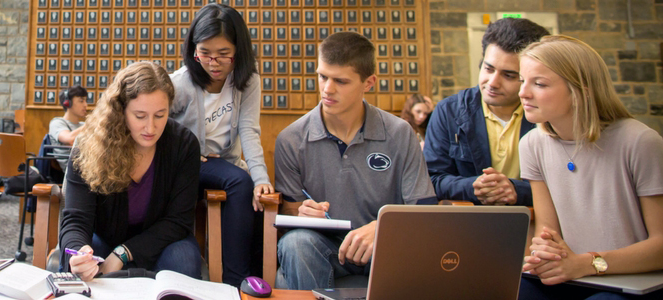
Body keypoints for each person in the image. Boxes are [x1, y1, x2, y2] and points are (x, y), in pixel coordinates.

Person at [272, 32, 435, 291]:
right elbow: (289, 215)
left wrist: (382, 228)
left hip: (386, 245)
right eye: (323, 76)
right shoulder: (291, 139)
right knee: (296, 243)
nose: (327, 88)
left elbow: (424, 211)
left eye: (341, 81)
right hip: (326, 246)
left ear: (368, 82)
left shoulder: (400, 133)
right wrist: (302, 214)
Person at [518, 35, 663, 300]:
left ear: (580, 91)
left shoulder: (640, 142)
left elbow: (661, 246)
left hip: (634, 281)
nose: (522, 92)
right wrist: (545, 253)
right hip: (572, 277)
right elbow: (547, 231)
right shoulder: (531, 144)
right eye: (522, 80)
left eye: (538, 83)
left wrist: (585, 263)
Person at [61, 61, 203, 281]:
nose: (151, 128)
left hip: (161, 241)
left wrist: (124, 253)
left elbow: (178, 221)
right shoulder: (89, 145)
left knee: (184, 257)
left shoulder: (184, 145)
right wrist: (77, 253)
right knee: (86, 259)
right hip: (105, 238)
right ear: (121, 111)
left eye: (160, 115)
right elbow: (76, 219)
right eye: (140, 116)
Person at [169, 3, 271, 286]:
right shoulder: (180, 83)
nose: (213, 63)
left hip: (223, 163)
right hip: (186, 165)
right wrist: (187, 150)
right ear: (194, 49)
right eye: (205, 54)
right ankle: (235, 281)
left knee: (256, 194)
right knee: (239, 182)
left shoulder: (248, 81)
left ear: (239, 50)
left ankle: (251, 279)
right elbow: (156, 125)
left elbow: (249, 130)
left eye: (223, 55)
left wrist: (261, 177)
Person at [423, 18, 549, 206]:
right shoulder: (448, 111)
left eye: (508, 75)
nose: (493, 82)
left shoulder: (546, 114)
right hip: (468, 226)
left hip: (535, 224)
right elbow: (430, 181)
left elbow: (563, 185)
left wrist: (516, 189)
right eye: (488, 68)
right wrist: (474, 186)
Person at [48, 85, 88, 169]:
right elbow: (70, 140)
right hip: (73, 169)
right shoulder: (57, 123)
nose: (85, 105)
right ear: (67, 103)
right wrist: (91, 123)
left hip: (87, 165)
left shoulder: (82, 125)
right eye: (81, 101)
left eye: (85, 101)